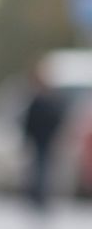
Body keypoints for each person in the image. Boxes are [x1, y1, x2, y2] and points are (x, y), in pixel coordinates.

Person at [21, 62, 69, 213]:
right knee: (40, 169)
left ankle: (40, 197)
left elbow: (52, 120)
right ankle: (38, 197)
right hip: (40, 140)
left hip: (44, 140)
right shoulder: (44, 99)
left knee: (41, 169)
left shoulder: (45, 100)